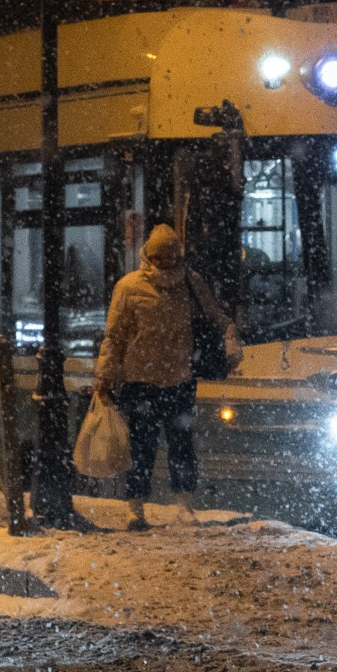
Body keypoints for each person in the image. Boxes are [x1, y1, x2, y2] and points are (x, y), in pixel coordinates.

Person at [92, 223, 238, 530]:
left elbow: (218, 318)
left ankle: (178, 504)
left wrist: (230, 340)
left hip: (178, 378)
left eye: (171, 256)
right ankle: (138, 506)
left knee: (175, 444)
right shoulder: (130, 287)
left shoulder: (191, 283)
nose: (166, 263)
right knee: (146, 447)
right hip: (142, 382)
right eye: (161, 257)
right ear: (150, 255)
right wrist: (105, 374)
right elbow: (114, 336)